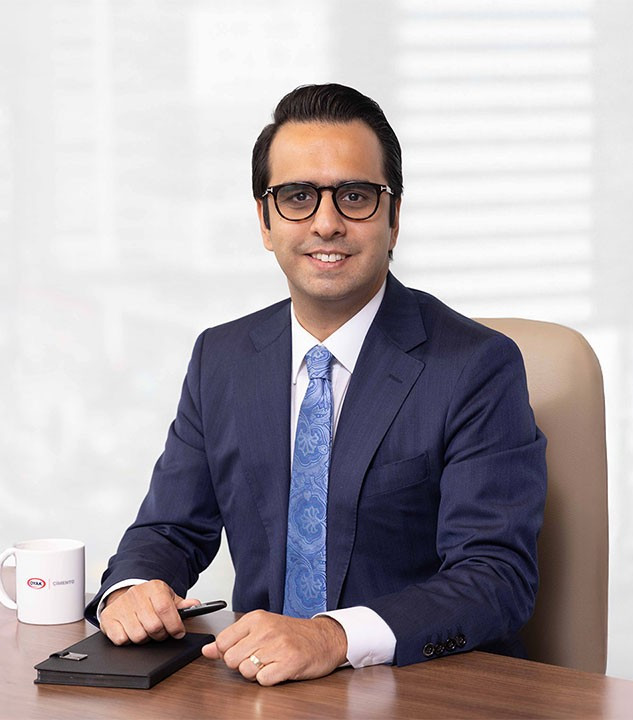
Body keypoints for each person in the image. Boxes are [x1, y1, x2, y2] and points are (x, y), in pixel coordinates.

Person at [88, 83, 547, 686]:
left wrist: (332, 636)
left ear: (394, 218)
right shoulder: (222, 358)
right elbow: (170, 528)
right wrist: (132, 589)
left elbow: (496, 578)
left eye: (355, 197)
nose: (326, 224)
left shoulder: (476, 366)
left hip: (419, 689)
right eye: (298, 197)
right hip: (263, 686)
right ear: (264, 220)